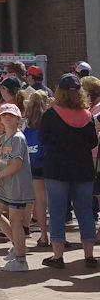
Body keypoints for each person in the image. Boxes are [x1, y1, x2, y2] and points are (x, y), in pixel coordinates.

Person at [39, 72, 98, 270]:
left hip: (57, 168)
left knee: (56, 212)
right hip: (82, 169)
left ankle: (58, 256)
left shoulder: (51, 114)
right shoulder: (87, 116)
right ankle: (89, 256)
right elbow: (93, 142)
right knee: (85, 212)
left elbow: (43, 139)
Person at [0, 103, 34, 271]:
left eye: (11, 115)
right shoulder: (2, 138)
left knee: (15, 220)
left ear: (17, 119)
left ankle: (21, 260)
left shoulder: (18, 138)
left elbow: (16, 164)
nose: (7, 117)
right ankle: (17, 245)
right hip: (6, 185)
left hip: (18, 185)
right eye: (4, 115)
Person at [22, 87, 50, 249]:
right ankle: (55, 235)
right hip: (48, 162)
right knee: (51, 200)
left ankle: (43, 234)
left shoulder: (27, 120)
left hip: (33, 163)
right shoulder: (49, 118)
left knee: (37, 200)